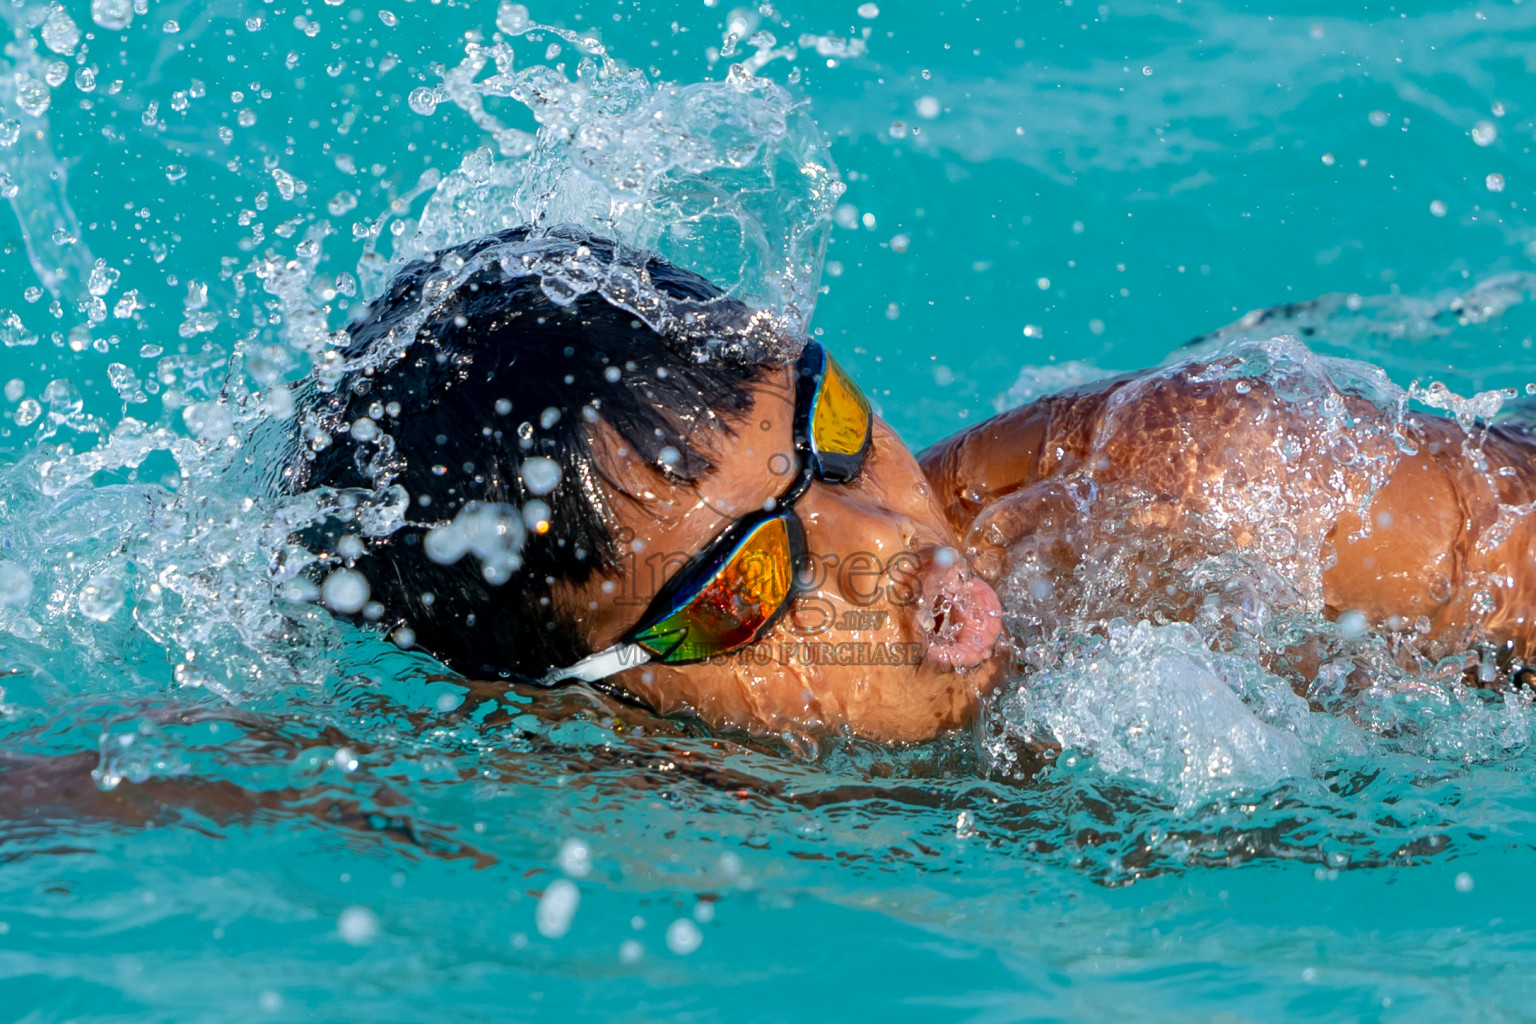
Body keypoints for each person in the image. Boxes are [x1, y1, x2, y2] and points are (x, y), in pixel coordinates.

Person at [285, 227, 1536, 744]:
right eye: (752, 581)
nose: (891, 539)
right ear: (596, 702)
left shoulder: (1195, 485)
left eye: (830, 428)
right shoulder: (588, 762)